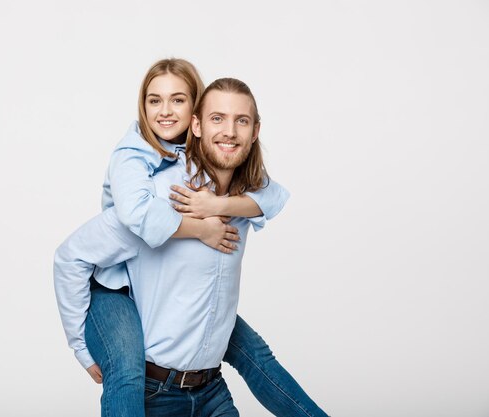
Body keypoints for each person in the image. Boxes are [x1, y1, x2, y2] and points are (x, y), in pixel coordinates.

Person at [55, 69, 328, 416]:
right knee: (126, 373)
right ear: (198, 126)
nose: (229, 131)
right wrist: (80, 346)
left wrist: (219, 205)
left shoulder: (249, 196)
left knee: (259, 357)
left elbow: (274, 197)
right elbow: (71, 255)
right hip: (157, 394)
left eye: (241, 121)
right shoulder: (159, 197)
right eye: (218, 119)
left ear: (255, 131)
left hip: (211, 391)